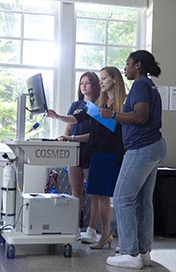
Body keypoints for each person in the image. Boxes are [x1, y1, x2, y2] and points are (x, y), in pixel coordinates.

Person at [48, 66, 126, 249]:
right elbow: (78, 118)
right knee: (98, 195)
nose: (101, 82)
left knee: (103, 195)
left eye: (104, 79)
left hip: (111, 153)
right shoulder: (101, 102)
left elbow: (117, 128)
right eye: (99, 79)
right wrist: (58, 116)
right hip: (97, 152)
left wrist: (110, 117)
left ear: (114, 79)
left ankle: (106, 234)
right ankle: (105, 235)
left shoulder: (121, 103)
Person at [103, 50, 166, 269]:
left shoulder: (139, 85)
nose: (125, 68)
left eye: (128, 64)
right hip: (154, 146)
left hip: (142, 148)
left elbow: (140, 116)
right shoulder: (149, 85)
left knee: (121, 198)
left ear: (138, 65)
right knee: (142, 201)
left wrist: (112, 114)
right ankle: (143, 252)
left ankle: (130, 254)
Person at [59, 72, 100, 241]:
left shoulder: (99, 106)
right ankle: (74, 228)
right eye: (82, 83)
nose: (84, 86)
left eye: (88, 83)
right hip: (75, 152)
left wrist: (72, 138)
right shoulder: (75, 104)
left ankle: (91, 229)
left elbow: (96, 135)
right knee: (76, 191)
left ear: (95, 86)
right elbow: (69, 127)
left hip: (92, 152)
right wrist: (64, 137)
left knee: (95, 193)